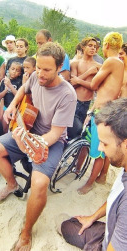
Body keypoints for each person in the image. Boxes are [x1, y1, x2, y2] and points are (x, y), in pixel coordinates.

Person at [0, 42, 77, 250]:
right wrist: (11, 106)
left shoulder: (67, 94)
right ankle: (11, 184)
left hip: (50, 140)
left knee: (39, 184)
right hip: (26, 126)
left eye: (47, 70)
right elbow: (23, 90)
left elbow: (55, 133)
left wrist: (29, 143)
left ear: (59, 68)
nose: (40, 74)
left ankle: (26, 233)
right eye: (38, 68)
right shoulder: (35, 76)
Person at [58, 98, 127, 251]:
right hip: (110, 230)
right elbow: (115, 199)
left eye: (105, 143)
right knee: (68, 226)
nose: (100, 148)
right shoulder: (125, 165)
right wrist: (93, 217)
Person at [77, 32, 124, 194]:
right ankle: (84, 172)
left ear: (106, 45)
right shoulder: (118, 62)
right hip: (102, 110)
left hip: (101, 112)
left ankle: (88, 183)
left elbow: (95, 84)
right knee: (93, 145)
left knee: (98, 151)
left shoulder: (111, 61)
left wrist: (95, 70)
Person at [68, 37, 102, 139]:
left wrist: (79, 80)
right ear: (83, 47)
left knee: (82, 133)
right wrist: (88, 73)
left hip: (87, 103)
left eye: (95, 47)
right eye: (90, 46)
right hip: (74, 101)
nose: (93, 49)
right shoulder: (75, 63)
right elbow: (72, 84)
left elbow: (94, 87)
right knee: (73, 130)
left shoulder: (99, 66)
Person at [0, 61, 22, 132]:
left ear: (20, 73)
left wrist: (10, 86)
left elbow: (19, 95)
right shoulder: (4, 81)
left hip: (16, 109)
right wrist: (5, 90)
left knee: (14, 129)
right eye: (12, 69)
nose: (14, 71)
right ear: (9, 70)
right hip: (6, 108)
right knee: (4, 128)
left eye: (17, 70)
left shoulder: (19, 82)